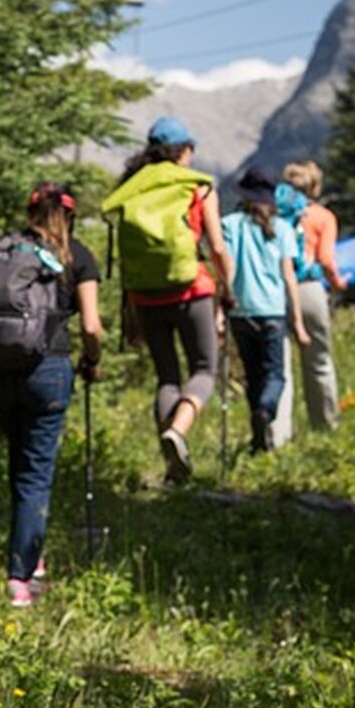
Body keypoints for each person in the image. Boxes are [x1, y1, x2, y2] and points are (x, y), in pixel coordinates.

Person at [0, 181, 103, 607]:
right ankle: (21, 577)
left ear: (31, 214)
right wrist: (92, 361)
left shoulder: (4, 252)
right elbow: (92, 327)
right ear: (69, 215)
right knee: (35, 474)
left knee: (20, 467)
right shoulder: (76, 257)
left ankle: (31, 554)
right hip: (47, 373)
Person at [113, 117, 233, 484]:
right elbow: (216, 246)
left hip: (145, 297)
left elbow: (125, 257)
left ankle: (172, 468)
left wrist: (130, 313)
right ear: (182, 150)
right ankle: (177, 432)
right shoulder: (197, 186)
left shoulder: (132, 189)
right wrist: (227, 291)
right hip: (191, 290)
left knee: (167, 377)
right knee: (203, 369)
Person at [222, 165, 311, 454]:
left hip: (240, 311)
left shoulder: (230, 224)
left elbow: (227, 268)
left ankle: (257, 437)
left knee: (253, 374)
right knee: (275, 374)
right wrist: (297, 322)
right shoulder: (282, 229)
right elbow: (289, 277)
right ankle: (265, 412)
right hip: (272, 310)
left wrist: (220, 310)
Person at [271, 159, 347, 442]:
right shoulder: (322, 216)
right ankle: (326, 427)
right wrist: (338, 282)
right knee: (319, 361)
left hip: (276, 290)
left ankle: (278, 435)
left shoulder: (271, 214)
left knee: (281, 366)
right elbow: (326, 259)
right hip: (309, 289)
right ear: (314, 186)